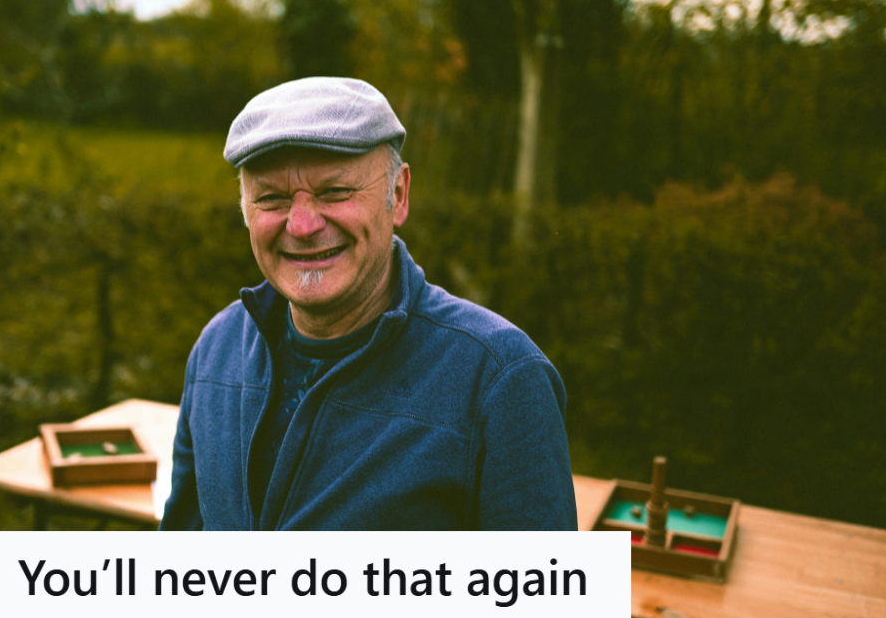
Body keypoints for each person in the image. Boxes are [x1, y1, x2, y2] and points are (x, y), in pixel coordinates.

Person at [159, 77, 577, 530]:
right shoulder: (217, 351)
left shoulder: (500, 380)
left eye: (335, 192)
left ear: (397, 195)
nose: (301, 225)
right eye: (271, 199)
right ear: (243, 208)